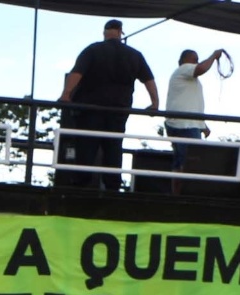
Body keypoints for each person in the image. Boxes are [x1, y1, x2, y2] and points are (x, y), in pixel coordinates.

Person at [61, 20, 158, 191]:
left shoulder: (92, 50)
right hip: (118, 109)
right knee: (113, 147)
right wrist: (154, 104)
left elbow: (77, 73)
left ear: (105, 32)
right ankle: (113, 185)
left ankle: (81, 184)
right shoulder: (135, 55)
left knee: (86, 146)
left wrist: (66, 94)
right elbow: (149, 80)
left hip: (90, 108)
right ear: (120, 32)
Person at [164, 48, 225, 194]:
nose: (197, 62)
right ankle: (181, 193)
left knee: (183, 160)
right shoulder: (184, 70)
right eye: (194, 59)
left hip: (187, 124)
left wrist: (202, 125)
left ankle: (178, 193)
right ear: (185, 60)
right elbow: (202, 68)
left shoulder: (186, 76)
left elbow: (190, 103)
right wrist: (213, 56)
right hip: (184, 125)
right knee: (189, 161)